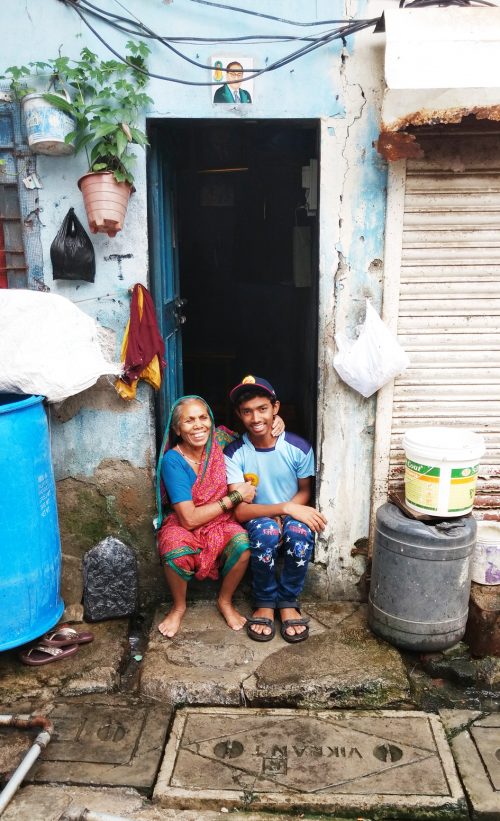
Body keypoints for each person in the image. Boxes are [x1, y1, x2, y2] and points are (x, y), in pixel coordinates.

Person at [155, 395, 283, 638]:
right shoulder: (173, 460)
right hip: (186, 523)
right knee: (173, 548)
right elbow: (189, 519)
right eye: (188, 421)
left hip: (220, 522)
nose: (198, 425)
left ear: (211, 422)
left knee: (244, 546)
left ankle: (225, 601)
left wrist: (278, 422)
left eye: (203, 418)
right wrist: (235, 498)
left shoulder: (221, 440)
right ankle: (179, 607)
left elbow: (256, 434)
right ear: (177, 429)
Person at [224, 376, 327, 643]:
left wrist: (290, 511)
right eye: (247, 411)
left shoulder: (298, 447)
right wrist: (283, 508)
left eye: (262, 409)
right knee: (267, 531)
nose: (256, 418)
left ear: (275, 408)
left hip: (292, 512)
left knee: (300, 531)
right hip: (260, 517)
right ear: (239, 414)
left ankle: (289, 601)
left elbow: (305, 489)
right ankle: (265, 601)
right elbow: (240, 511)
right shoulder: (234, 453)